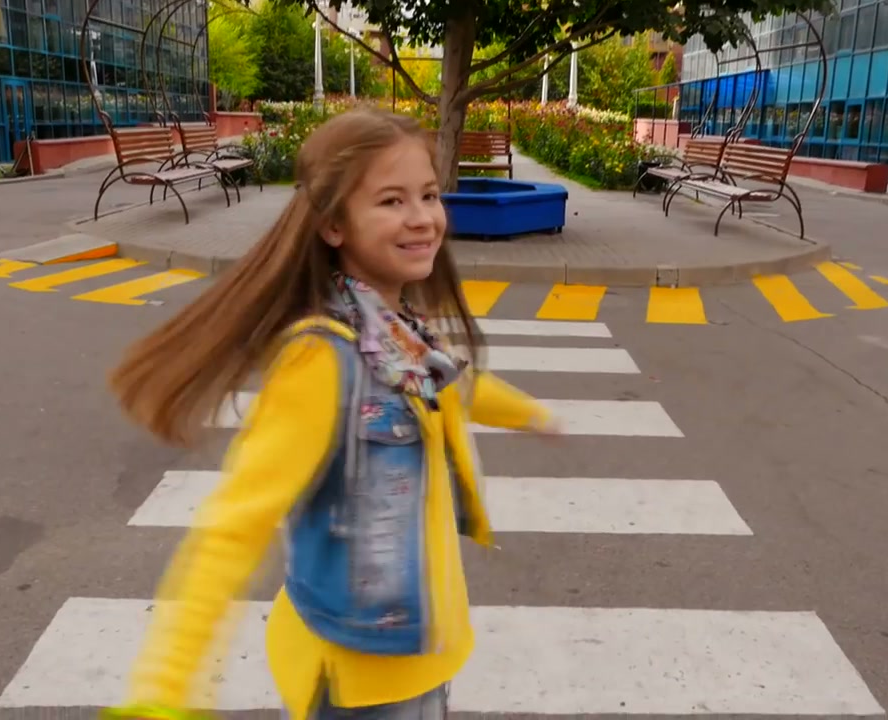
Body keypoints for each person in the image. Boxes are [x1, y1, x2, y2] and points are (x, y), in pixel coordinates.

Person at [103, 108, 558, 720]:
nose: (422, 218)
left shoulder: (393, 332)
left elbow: (449, 383)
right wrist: (165, 687)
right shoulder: (322, 360)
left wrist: (529, 413)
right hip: (362, 687)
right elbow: (235, 525)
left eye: (428, 194)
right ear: (333, 225)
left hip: (415, 662)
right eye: (392, 200)